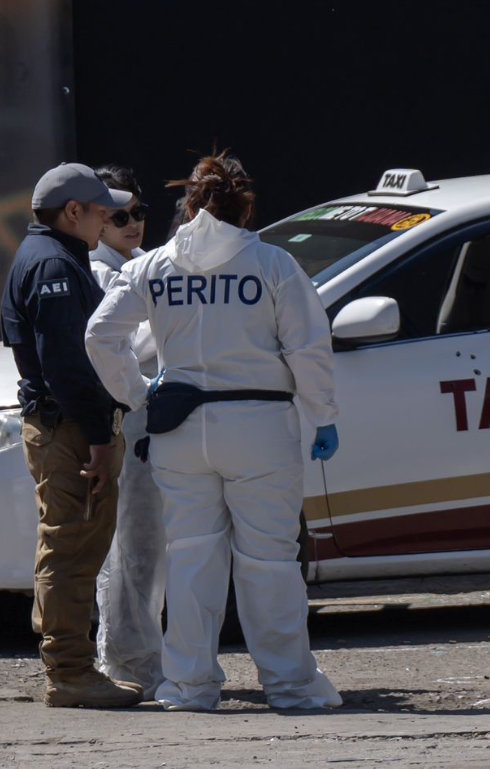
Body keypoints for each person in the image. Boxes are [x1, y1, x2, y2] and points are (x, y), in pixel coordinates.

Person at [84, 152, 342, 711]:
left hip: (180, 429)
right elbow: (309, 347)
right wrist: (322, 415)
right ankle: (291, 685)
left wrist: (139, 394)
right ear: (245, 207)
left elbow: (100, 336)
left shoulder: (152, 266)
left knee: (192, 558)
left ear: (188, 205)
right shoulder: (272, 264)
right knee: (269, 561)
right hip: (260, 427)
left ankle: (189, 686)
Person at [0, 162, 141, 707]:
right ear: (73, 212)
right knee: (72, 547)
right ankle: (71, 673)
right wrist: (100, 438)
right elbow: (67, 364)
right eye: (103, 208)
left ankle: (70, 667)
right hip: (70, 428)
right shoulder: (54, 264)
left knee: (70, 543)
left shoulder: (53, 256)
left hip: (65, 423)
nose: (114, 215)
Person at [89, 165, 166, 699]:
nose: (133, 223)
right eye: (120, 216)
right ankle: (127, 662)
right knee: (128, 547)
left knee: (149, 546)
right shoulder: (96, 272)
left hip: (151, 419)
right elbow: (117, 346)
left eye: (139, 212)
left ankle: (141, 655)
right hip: (126, 415)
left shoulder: (141, 264)